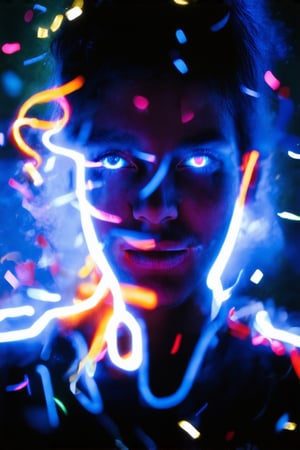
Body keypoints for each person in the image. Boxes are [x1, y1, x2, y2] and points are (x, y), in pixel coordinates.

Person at [2, 0, 300, 448]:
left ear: (247, 178)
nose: (156, 209)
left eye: (197, 162)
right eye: (117, 159)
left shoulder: (288, 390)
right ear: (75, 177)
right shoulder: (15, 382)